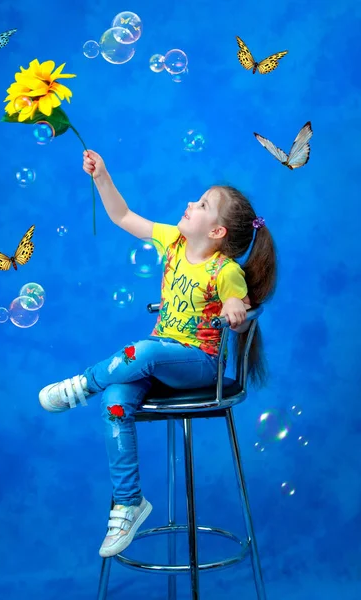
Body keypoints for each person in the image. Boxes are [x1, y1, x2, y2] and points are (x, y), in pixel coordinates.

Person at [39, 150, 278, 559]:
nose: (191, 203)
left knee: (144, 351)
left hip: (199, 366)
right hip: (157, 360)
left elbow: (238, 307)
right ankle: (129, 502)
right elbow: (123, 216)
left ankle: (81, 385)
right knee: (116, 402)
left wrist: (235, 310)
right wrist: (102, 177)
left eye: (203, 204)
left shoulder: (226, 271)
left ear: (218, 232)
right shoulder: (173, 240)